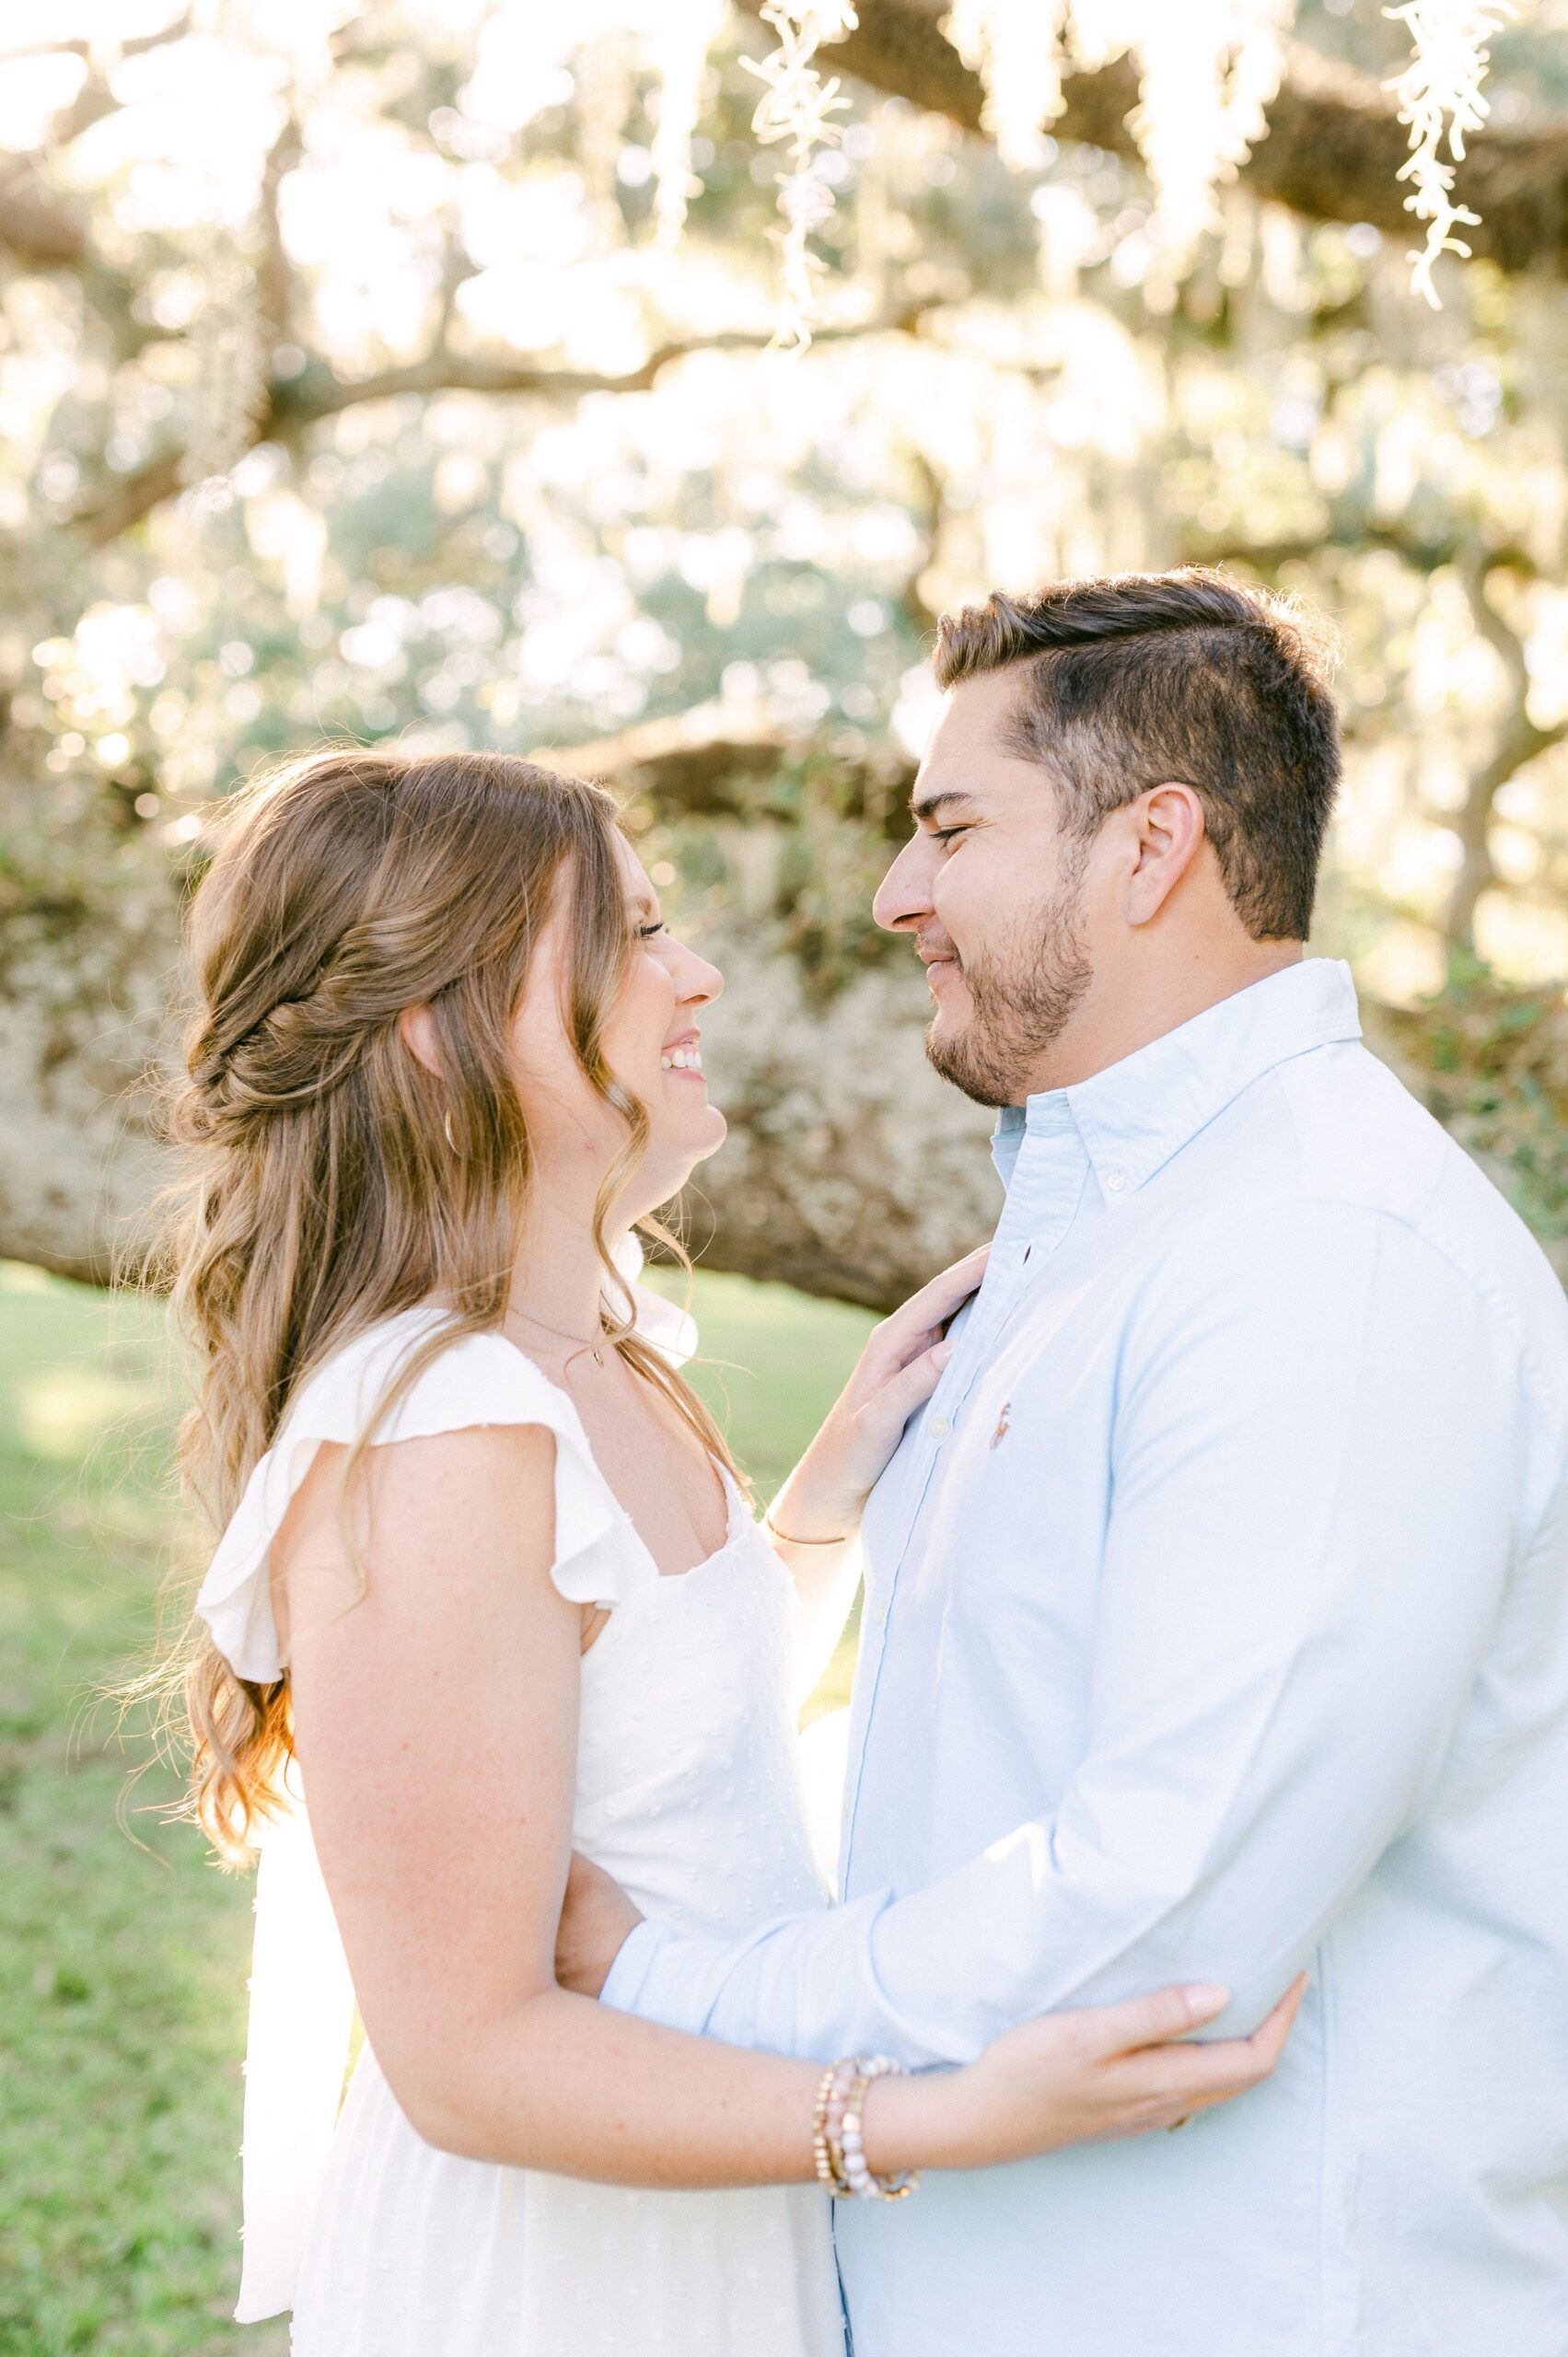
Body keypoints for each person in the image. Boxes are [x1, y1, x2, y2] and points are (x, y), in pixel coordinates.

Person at [171, 745, 1296, 2357]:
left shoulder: (603, 1356)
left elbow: (655, 1756)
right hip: (565, 2276)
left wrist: (824, 1499)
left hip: (705, 2205)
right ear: (437, 1029)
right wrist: (940, 2117)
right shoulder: (443, 1438)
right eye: (628, 939)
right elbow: (468, 2054)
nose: (693, 974)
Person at [557, 570, 1568, 2356]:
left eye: (950, 825)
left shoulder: (1324, 1251)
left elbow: (1152, 1925)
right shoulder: (1091, 1237)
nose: (896, 895)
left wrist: (649, 1979)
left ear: (1151, 843)